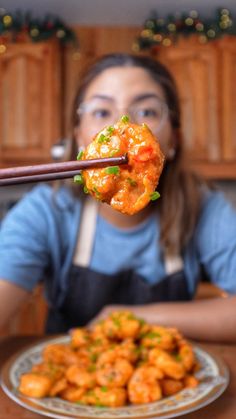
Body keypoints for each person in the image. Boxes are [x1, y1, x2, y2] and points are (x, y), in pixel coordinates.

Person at [0, 53, 235, 342]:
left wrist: (137, 318)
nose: (122, 129)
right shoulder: (47, 211)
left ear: (174, 139)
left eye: (147, 112)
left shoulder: (204, 207)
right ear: (78, 138)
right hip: (67, 376)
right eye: (101, 112)